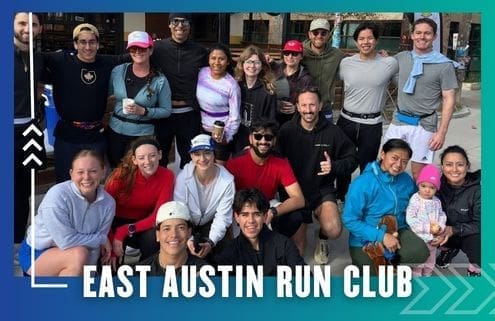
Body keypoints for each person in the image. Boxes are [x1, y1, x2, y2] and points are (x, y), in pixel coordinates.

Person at [277, 86, 358, 264]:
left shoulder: (333, 132)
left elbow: (353, 159)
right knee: (298, 249)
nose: (308, 110)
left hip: (322, 189)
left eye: (312, 105)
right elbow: (274, 161)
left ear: (320, 105)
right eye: (304, 105)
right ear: (297, 106)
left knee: (334, 230)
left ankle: (322, 236)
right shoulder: (286, 131)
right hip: (295, 193)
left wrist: (334, 166)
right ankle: (302, 223)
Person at [42, 23, 127, 182]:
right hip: (68, 136)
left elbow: (130, 58)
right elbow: (34, 57)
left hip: (95, 136)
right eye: (83, 42)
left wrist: (157, 48)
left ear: (98, 44)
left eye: (92, 42)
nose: (88, 47)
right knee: (65, 182)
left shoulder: (106, 62)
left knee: (93, 181)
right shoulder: (61, 60)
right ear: (75, 44)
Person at [382, 17, 458, 180]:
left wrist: (441, 133)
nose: (422, 37)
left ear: (434, 37)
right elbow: (384, 69)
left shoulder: (445, 65)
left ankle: (418, 205)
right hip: (398, 121)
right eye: (418, 33)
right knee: (387, 167)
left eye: (427, 33)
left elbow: (449, 99)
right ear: (412, 35)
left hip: (424, 125)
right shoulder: (401, 58)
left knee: (419, 174)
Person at [18, 150, 115, 276]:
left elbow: (94, 245)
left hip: (77, 254)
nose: (86, 177)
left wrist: (90, 275)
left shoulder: (108, 203)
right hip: (37, 252)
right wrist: (101, 239)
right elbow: (66, 241)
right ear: (71, 174)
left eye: (93, 171)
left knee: (81, 256)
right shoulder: (58, 195)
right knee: (79, 254)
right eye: (80, 172)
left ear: (103, 171)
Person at [342, 138, 429, 275]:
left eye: (404, 162)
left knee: (421, 252)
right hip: (366, 237)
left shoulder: (406, 180)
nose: (399, 164)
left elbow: (418, 203)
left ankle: (393, 264)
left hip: (398, 230)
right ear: (383, 154)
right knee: (372, 273)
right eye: (394, 158)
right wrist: (381, 236)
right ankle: (372, 265)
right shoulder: (362, 183)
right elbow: (349, 219)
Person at [335, 22, 399, 202]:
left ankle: (363, 200)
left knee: (368, 166)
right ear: (356, 42)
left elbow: (404, 81)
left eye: (370, 38)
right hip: (346, 120)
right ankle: (341, 197)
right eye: (361, 38)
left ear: (376, 40)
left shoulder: (389, 63)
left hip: (371, 124)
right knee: (343, 162)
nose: (366, 42)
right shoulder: (346, 63)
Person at [225, 119, 305, 252]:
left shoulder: (281, 163)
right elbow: (225, 199)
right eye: (258, 136)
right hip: (241, 207)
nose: (263, 141)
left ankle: (275, 246)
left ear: (273, 141)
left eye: (268, 137)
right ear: (250, 139)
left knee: (295, 217)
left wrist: (273, 212)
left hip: (267, 205)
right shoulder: (235, 162)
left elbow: (299, 199)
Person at [104, 137, 174, 269]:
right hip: (113, 222)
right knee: (110, 266)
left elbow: (157, 217)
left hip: (142, 224)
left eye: (152, 155)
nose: (147, 161)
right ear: (134, 160)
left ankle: (146, 270)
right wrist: (112, 245)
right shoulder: (120, 176)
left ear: (160, 155)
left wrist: (124, 231)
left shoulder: (167, 176)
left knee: (154, 237)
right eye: (141, 158)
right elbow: (103, 214)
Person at [106, 30, 172, 168]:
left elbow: (166, 110)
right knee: (116, 171)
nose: (137, 52)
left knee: (137, 173)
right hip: (115, 131)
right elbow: (109, 95)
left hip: (142, 135)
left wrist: (144, 111)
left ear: (150, 50)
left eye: (142, 48)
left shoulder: (159, 80)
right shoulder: (118, 71)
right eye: (133, 48)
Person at [153, 13, 208, 169]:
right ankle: (161, 192)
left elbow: (219, 70)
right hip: (164, 114)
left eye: (185, 22)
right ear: (169, 25)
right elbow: (132, 59)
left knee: (189, 159)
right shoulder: (157, 48)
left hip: (189, 114)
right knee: (160, 157)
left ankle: (186, 192)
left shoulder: (200, 51)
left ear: (190, 26)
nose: (180, 25)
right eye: (175, 21)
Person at [212, 188, 305, 276]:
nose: (251, 220)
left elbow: (307, 279)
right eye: (245, 215)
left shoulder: (284, 245)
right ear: (236, 217)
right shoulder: (229, 252)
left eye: (256, 214)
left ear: (265, 216)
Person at [173, 134, 235, 259]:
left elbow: (223, 217)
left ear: (214, 154)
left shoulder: (227, 180)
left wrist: (211, 242)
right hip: (187, 223)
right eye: (197, 154)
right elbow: (180, 211)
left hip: (211, 222)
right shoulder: (183, 177)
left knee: (224, 250)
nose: (202, 158)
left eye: (207, 152)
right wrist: (188, 239)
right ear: (191, 156)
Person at [14, 12, 45, 247]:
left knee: (24, 190)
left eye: (32, 24)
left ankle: (15, 243)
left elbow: (37, 88)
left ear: (39, 29)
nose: (28, 29)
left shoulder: (37, 57)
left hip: (30, 131)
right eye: (22, 23)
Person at [434, 145, 481, 276]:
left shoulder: (479, 190)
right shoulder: (434, 185)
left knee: (483, 244)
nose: (454, 169)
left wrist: (454, 230)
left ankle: (475, 268)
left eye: (460, 164)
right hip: (444, 230)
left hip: (469, 233)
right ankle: (447, 249)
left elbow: (481, 224)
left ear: (467, 166)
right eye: (449, 164)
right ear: (442, 167)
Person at [196, 43, 241, 162]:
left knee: (220, 168)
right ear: (208, 60)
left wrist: (228, 136)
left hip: (221, 132)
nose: (217, 62)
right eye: (213, 58)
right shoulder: (202, 73)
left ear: (227, 62)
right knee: (203, 165)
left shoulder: (232, 85)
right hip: (201, 128)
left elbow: (235, 115)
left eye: (221, 59)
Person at [138, 201, 209, 276]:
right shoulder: (139, 274)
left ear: (189, 232)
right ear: (158, 235)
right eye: (167, 229)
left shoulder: (203, 273)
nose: (174, 235)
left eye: (181, 228)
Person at [233, 45, 277, 153]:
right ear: (242, 64)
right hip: (236, 140)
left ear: (262, 65)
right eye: (248, 61)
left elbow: (270, 122)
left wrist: (254, 144)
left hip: (256, 143)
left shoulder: (268, 91)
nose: (252, 66)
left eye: (257, 62)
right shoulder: (235, 86)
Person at [302, 18, 346, 123]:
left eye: (323, 33)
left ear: (328, 35)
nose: (319, 36)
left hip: (325, 106)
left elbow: (355, 62)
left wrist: (378, 57)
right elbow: (285, 65)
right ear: (309, 34)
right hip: (304, 106)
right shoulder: (300, 52)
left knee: (326, 138)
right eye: (315, 32)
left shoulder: (337, 55)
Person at [406, 164, 447, 277]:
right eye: (423, 186)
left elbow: (441, 215)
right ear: (418, 185)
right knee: (419, 261)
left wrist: (440, 227)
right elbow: (410, 218)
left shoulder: (436, 201)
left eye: (432, 187)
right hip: (419, 236)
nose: (427, 190)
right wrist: (427, 228)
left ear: (436, 189)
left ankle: (427, 274)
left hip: (433, 237)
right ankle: (417, 276)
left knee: (430, 260)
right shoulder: (415, 200)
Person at [269, 39, 314, 125]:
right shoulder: (275, 71)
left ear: (301, 56)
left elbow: (310, 102)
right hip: (273, 119)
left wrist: (296, 108)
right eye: (287, 53)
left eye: (294, 54)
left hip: (293, 122)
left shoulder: (306, 79)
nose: (290, 56)